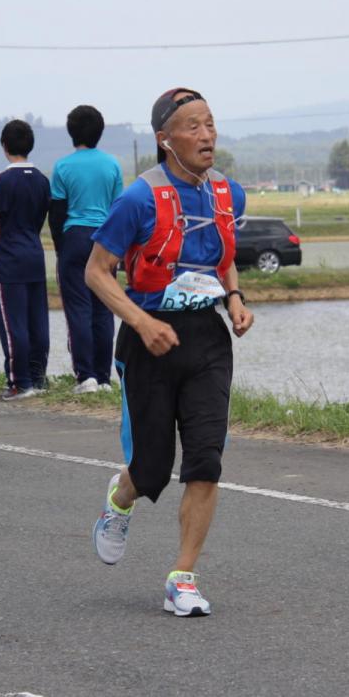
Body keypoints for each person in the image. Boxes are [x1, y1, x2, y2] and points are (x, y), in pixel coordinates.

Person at [85, 88, 253, 617]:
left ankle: (182, 576)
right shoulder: (138, 198)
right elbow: (96, 271)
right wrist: (140, 319)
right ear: (165, 139)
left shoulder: (230, 194)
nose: (207, 136)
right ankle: (120, 500)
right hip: (148, 339)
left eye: (210, 124)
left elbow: (222, 257)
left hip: (206, 339)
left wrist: (235, 298)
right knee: (152, 468)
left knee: (206, 459)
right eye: (193, 127)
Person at [49, 105, 124, 394]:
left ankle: (86, 376)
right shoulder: (112, 165)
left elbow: (57, 212)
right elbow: (119, 209)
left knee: (78, 308)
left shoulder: (63, 166)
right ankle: (105, 378)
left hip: (75, 237)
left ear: (71, 132)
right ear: (100, 131)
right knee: (104, 307)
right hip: (106, 238)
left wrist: (60, 248)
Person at [0, 119, 51, 401]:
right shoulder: (42, 179)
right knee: (38, 321)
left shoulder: (0, 182)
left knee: (13, 324)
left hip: (8, 260)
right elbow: (41, 218)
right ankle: (39, 378)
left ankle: (19, 382)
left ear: (4, 146)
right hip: (35, 254)